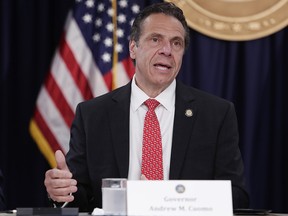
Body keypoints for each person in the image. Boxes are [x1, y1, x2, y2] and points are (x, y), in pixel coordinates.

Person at [44, 2, 249, 212]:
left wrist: (168, 199)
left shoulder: (216, 115)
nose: (167, 50)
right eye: (155, 39)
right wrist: (62, 191)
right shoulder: (92, 115)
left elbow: (237, 196)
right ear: (133, 47)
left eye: (176, 43)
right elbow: (81, 197)